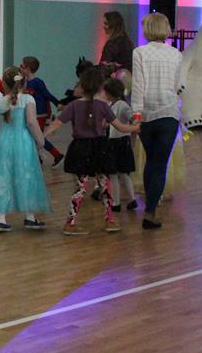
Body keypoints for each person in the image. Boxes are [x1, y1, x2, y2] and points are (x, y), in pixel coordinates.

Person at [45, 67, 138, 236]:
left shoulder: (73, 105)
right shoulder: (102, 106)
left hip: (80, 148)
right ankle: (109, 220)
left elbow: (57, 123)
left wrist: (42, 136)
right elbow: (121, 127)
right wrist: (137, 127)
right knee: (105, 184)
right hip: (100, 148)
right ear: (100, 87)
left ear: (82, 85)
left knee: (81, 187)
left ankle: (70, 222)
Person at [131, 13, 183, 230]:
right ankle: (150, 211)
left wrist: (136, 115)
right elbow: (178, 86)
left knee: (150, 161)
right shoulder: (176, 54)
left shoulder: (139, 52)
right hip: (169, 113)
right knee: (160, 164)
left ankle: (150, 207)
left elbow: (138, 86)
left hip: (146, 115)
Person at [0, 67, 51, 231]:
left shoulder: (0, 102)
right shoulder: (28, 99)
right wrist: (41, 140)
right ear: (24, 83)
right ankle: (30, 216)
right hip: (23, 143)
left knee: (3, 177)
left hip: (3, 143)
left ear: (4, 84)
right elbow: (31, 122)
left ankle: (1, 218)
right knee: (27, 176)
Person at [20, 56, 64, 166]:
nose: (20, 68)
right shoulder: (25, 82)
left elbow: (47, 94)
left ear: (28, 69)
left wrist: (57, 103)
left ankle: (57, 155)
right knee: (34, 135)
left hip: (40, 114)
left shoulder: (37, 82)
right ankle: (39, 157)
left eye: (22, 66)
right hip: (33, 113)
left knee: (37, 135)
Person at [103, 77, 137, 212]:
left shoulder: (121, 105)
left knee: (114, 174)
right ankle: (132, 199)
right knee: (123, 174)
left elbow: (131, 117)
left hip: (118, 142)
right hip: (121, 142)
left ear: (110, 93)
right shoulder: (115, 105)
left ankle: (116, 203)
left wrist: (134, 122)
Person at [99, 10, 134, 75]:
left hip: (114, 80)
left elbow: (103, 67)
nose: (103, 26)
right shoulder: (128, 41)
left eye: (106, 24)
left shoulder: (112, 44)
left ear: (113, 25)